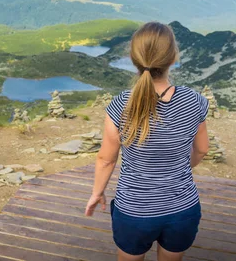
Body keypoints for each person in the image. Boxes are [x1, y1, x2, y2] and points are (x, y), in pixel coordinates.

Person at [85, 22, 210, 261]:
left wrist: (97, 193)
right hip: (183, 209)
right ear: (173, 57)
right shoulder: (194, 101)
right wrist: (179, 168)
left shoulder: (121, 104)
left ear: (134, 59)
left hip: (133, 211)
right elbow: (202, 149)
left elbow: (106, 159)